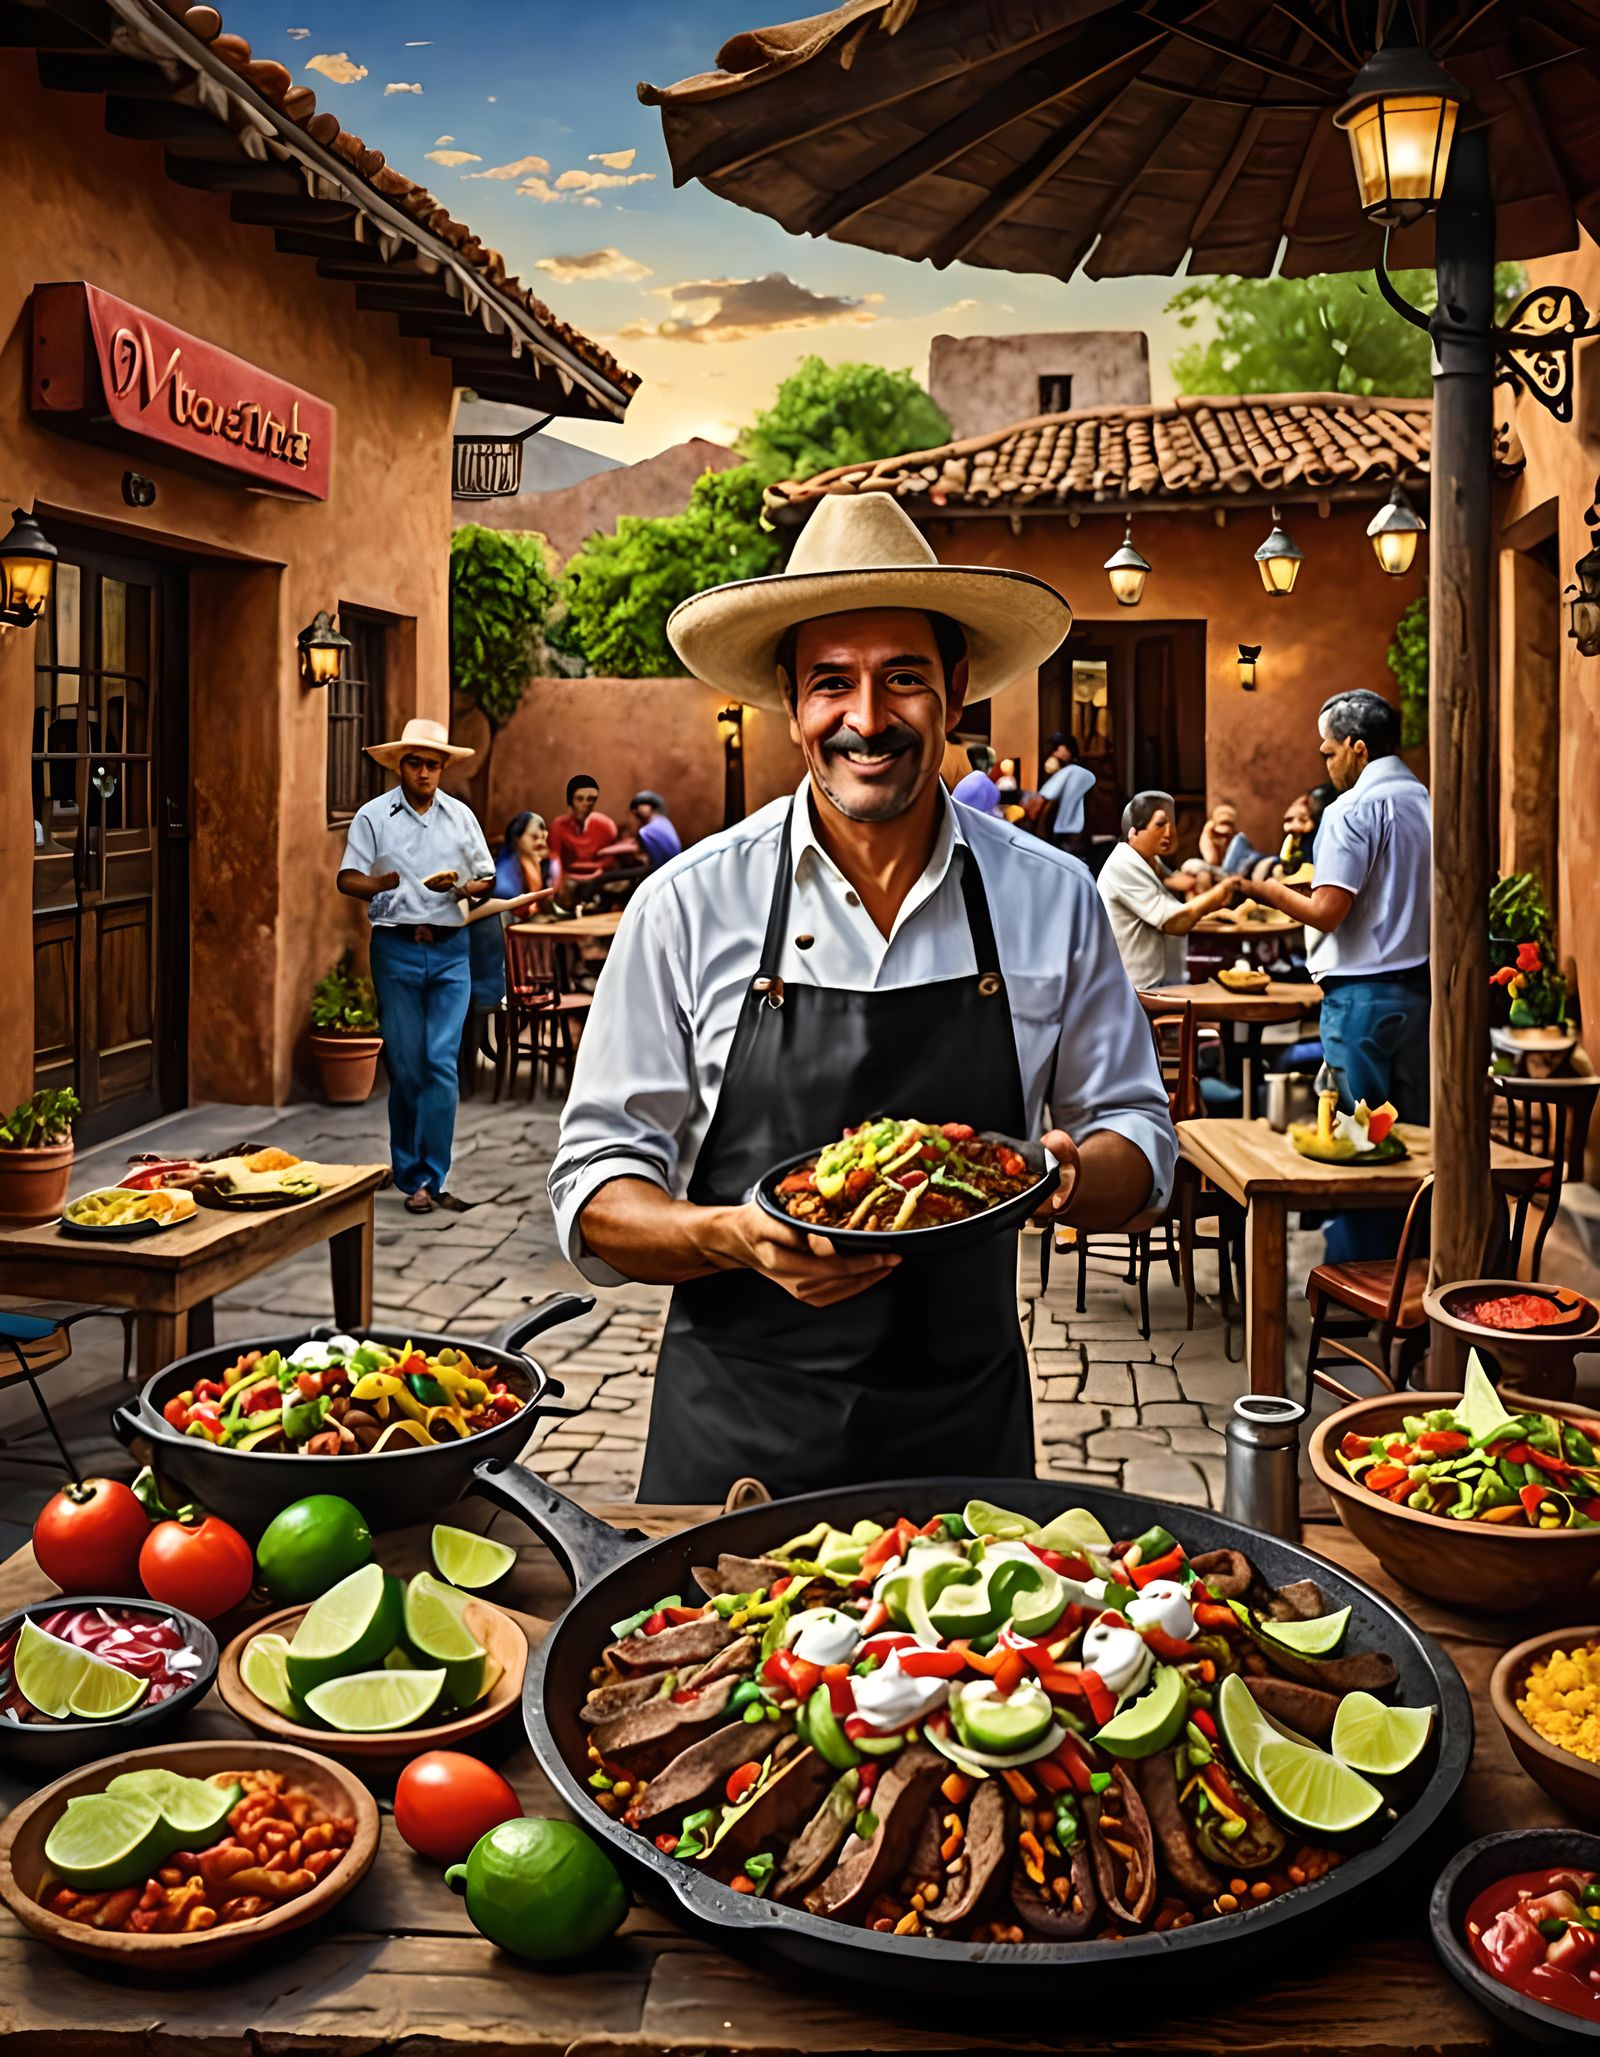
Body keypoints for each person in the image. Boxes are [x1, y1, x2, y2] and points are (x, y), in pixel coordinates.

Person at [549, 491, 1176, 1502]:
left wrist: (1060, 1173)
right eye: (831, 683)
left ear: (958, 689)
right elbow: (594, 1189)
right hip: (734, 1449)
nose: (867, 719)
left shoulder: (1048, 895)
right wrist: (730, 1234)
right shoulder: (687, 904)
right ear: (791, 701)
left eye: (904, 681)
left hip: (963, 1443)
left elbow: (1138, 1138)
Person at [1232, 690, 1431, 1259]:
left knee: (1361, 1143)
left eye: (1328, 753)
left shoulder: (1351, 809)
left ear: (1357, 748)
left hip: (1360, 999)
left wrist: (1266, 890)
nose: (1326, 763)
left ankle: (1362, 1272)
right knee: (1414, 1140)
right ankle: (1415, 1268)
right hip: (1417, 991)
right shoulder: (1425, 800)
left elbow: (1327, 911)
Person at [336, 717, 493, 1214]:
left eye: (433, 763)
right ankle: (407, 1169)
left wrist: (468, 888)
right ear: (399, 765)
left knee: (441, 1063)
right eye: (415, 762)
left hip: (451, 951)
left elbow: (486, 877)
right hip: (396, 948)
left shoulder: (461, 816)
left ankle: (430, 1177)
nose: (425, 772)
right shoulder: (374, 816)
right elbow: (347, 878)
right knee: (406, 1067)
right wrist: (385, 885)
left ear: (443, 767)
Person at [1097, 791, 1238, 992]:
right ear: (1133, 832)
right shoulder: (1123, 865)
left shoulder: (1149, 861)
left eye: (1171, 823)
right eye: (1160, 824)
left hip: (1162, 983)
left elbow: (1178, 882)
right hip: (1139, 989)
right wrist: (1219, 892)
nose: (1169, 833)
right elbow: (1174, 922)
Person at [548, 775, 618, 891]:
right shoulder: (558, 826)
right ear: (570, 800)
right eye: (580, 799)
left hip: (598, 879)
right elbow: (555, 859)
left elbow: (610, 860)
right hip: (568, 881)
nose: (586, 804)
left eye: (591, 799)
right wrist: (556, 885)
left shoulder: (606, 824)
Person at [1037, 735, 1097, 855]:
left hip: (1070, 832)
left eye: (1060, 751)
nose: (1056, 754)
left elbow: (1047, 794)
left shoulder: (1073, 771)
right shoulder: (1068, 770)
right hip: (1070, 831)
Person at [495, 810, 553, 899]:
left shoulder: (532, 861)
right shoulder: (504, 879)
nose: (542, 843)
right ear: (516, 837)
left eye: (543, 838)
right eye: (534, 837)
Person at [630, 791, 683, 868]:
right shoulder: (664, 821)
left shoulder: (646, 831)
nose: (636, 811)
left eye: (639, 806)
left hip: (663, 868)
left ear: (649, 807)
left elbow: (652, 860)